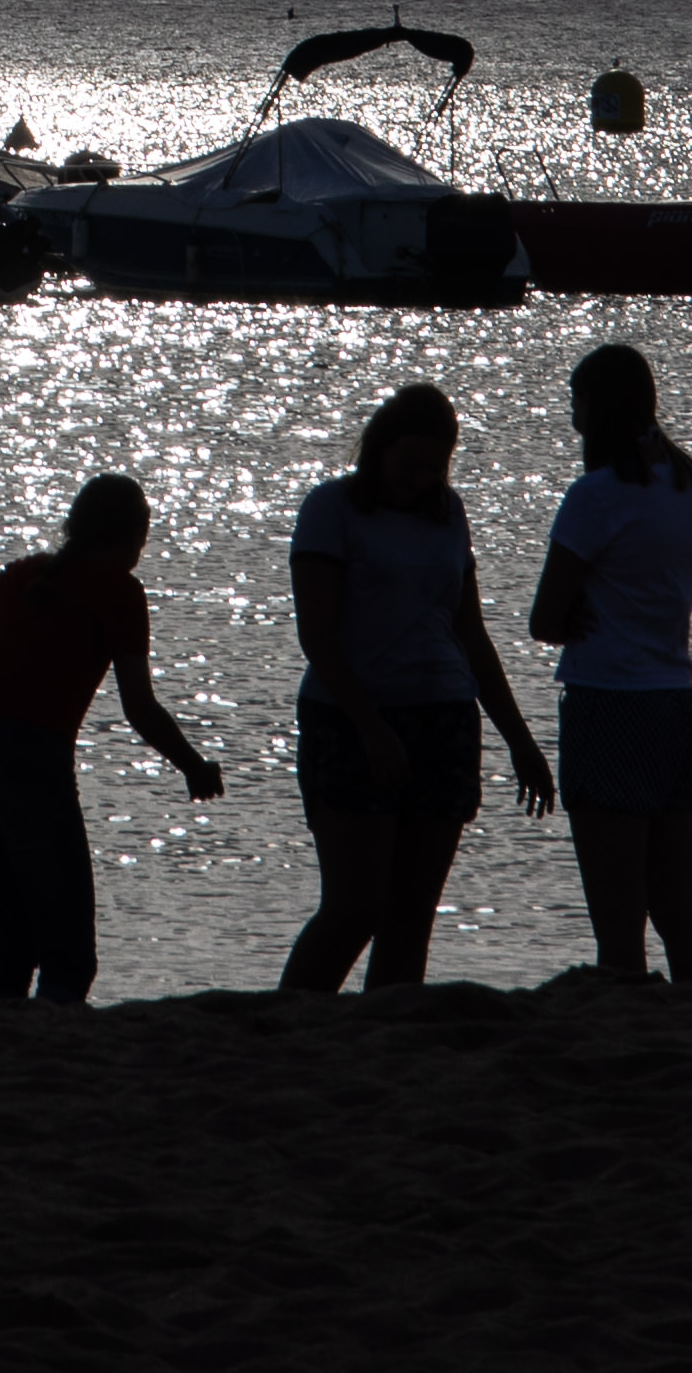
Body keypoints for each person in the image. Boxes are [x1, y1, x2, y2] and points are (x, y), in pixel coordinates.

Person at [281, 381, 547, 991]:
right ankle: (286, 1023)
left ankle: (388, 1027)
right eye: (409, 464)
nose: (421, 479)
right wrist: (371, 729)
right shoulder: (331, 509)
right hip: (349, 719)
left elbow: (470, 634)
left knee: (411, 916)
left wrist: (520, 740)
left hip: (444, 718)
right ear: (380, 448)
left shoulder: (448, 514)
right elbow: (316, 634)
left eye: (434, 467)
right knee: (354, 907)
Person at [0, 472, 225, 1003]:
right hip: (30, 762)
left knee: (13, 937)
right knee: (69, 955)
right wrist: (193, 765)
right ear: (135, 534)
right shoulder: (120, 592)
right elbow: (139, 707)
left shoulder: (18, 576)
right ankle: (46, 1042)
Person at [530, 338, 692, 987]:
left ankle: (624, 1027)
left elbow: (544, 620)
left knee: (618, 923)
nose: (572, 418)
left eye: (577, 403)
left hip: (608, 703)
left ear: (598, 407)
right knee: (681, 912)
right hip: (675, 701)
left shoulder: (597, 495)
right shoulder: (689, 485)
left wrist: (579, 608)